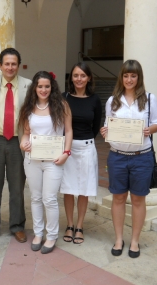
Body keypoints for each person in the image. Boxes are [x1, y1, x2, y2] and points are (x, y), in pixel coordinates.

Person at [100, 60, 157, 258]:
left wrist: (149, 129)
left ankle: (135, 241)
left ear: (139, 78)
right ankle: (119, 239)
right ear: (122, 77)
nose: (129, 79)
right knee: (118, 198)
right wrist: (105, 131)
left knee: (138, 199)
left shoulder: (149, 99)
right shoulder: (113, 101)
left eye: (133, 76)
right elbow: (107, 126)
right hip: (117, 157)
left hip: (141, 157)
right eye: (126, 76)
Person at [0, 48, 31, 244]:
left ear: (18, 65)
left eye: (14, 64)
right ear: (0, 65)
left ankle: (17, 226)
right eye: (6, 63)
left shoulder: (28, 85)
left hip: (19, 141)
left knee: (17, 187)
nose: (10, 67)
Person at [19, 71, 73, 254]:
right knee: (35, 197)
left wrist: (66, 152)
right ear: (35, 87)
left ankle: (51, 236)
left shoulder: (62, 106)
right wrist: (23, 143)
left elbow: (69, 130)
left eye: (47, 86)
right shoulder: (28, 107)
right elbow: (26, 132)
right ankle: (38, 233)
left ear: (52, 87)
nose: (43, 90)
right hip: (32, 159)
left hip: (54, 160)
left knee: (49, 199)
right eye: (40, 86)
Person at [60, 62, 102, 244]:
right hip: (67, 148)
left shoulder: (95, 100)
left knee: (83, 190)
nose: (79, 79)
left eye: (83, 76)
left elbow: (95, 127)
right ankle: (69, 225)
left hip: (86, 148)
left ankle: (79, 226)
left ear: (89, 78)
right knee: (68, 189)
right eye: (75, 75)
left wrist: (82, 140)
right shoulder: (64, 98)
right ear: (71, 78)